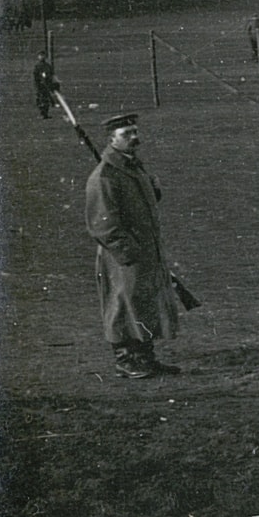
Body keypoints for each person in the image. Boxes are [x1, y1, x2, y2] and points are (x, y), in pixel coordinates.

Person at [85, 114, 184, 378]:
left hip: (145, 250)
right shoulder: (104, 176)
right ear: (111, 139)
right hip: (122, 256)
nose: (134, 137)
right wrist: (128, 253)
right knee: (122, 305)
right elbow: (102, 224)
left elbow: (141, 205)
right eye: (126, 134)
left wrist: (154, 190)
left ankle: (144, 358)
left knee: (143, 303)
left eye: (135, 131)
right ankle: (125, 360)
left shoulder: (134, 168)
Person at [32, 53, 58, 120]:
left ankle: (45, 114)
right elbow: (36, 76)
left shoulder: (47, 66)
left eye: (42, 56)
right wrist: (38, 83)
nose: (41, 57)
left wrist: (50, 82)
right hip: (40, 86)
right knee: (40, 99)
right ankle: (42, 113)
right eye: (40, 56)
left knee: (45, 100)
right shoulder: (37, 66)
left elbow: (51, 75)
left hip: (46, 85)